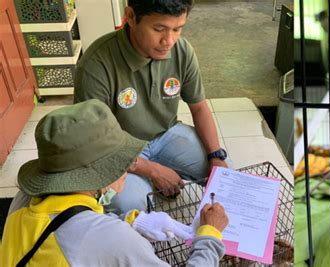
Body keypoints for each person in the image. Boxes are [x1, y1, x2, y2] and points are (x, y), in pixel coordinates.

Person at [0, 100, 229, 266]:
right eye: (122, 162)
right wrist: (209, 235)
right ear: (99, 176)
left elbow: (68, 226)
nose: (128, 168)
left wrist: (132, 221)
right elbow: (90, 238)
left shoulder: (25, 198)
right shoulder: (112, 240)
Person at [73, 0, 229, 214]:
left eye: (177, 29)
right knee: (130, 206)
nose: (169, 41)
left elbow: (199, 108)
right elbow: (96, 143)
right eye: (159, 29)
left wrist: (216, 156)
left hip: (166, 134)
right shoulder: (96, 64)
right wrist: (154, 171)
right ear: (130, 17)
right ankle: (150, 182)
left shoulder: (182, 51)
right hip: (117, 149)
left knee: (221, 175)